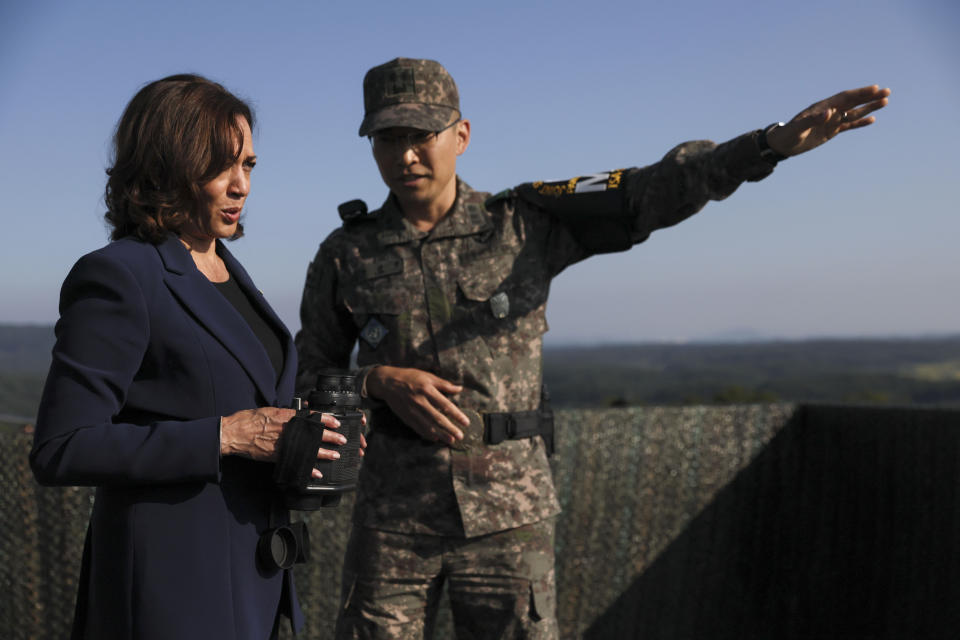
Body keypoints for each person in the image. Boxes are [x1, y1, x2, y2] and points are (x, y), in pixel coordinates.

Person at [295, 57, 890, 639]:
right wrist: (375, 383)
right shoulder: (346, 253)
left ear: (462, 134)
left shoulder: (523, 224)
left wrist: (768, 146)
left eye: (421, 135)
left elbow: (650, 192)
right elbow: (307, 375)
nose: (404, 156)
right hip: (393, 521)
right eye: (386, 139)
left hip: (511, 515)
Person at [30, 74, 348, 640]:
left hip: (257, 584)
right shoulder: (122, 274)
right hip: (171, 595)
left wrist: (311, 451)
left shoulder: (229, 272)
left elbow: (254, 411)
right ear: (165, 167)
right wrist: (224, 436)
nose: (240, 185)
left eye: (248, 165)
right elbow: (61, 447)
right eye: (219, 165)